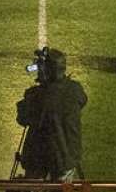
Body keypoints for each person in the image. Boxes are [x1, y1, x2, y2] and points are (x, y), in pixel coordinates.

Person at [16, 49, 88, 184]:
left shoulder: (35, 95)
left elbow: (22, 118)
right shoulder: (75, 91)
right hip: (65, 157)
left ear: (47, 71)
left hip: (37, 156)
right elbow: (82, 100)